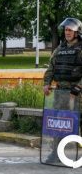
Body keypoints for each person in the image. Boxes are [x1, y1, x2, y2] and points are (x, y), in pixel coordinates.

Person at [43, 17, 82, 162]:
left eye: (70, 30)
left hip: (77, 93)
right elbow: (51, 68)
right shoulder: (60, 48)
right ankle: (56, 153)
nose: (67, 32)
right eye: (66, 30)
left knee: (79, 122)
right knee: (58, 123)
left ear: (77, 32)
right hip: (61, 92)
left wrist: (78, 87)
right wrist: (46, 83)